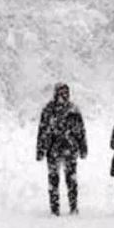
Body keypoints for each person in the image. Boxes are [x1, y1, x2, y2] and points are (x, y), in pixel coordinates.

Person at [36, 83, 88, 216]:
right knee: (53, 180)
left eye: (66, 92)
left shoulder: (73, 110)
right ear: (56, 94)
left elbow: (80, 131)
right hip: (53, 150)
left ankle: (73, 207)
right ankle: (54, 209)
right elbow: (42, 131)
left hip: (70, 149)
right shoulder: (48, 110)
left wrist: (83, 148)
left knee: (71, 180)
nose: (64, 95)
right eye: (61, 92)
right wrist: (40, 150)